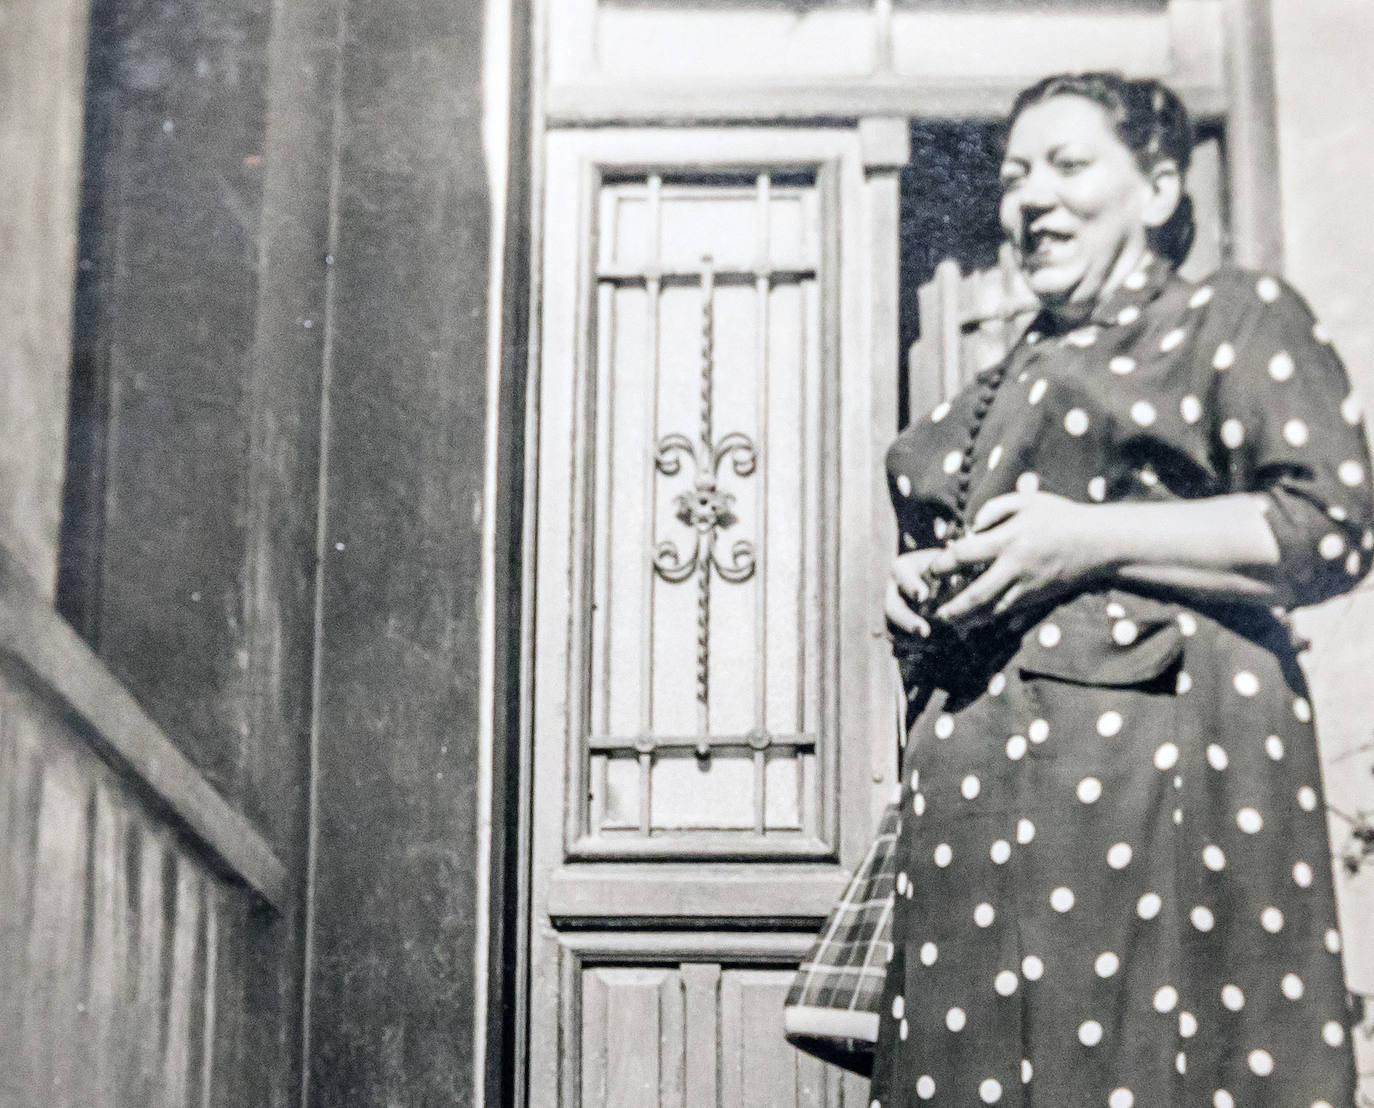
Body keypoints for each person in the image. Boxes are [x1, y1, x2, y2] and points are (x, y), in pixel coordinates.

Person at [874, 72, 1373, 1108]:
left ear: (1155, 189)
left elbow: (1329, 522)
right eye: (1013, 176)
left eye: (1066, 164)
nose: (1029, 199)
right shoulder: (996, 379)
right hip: (980, 838)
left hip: (1163, 823)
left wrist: (1086, 540)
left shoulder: (1227, 320)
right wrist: (925, 586)